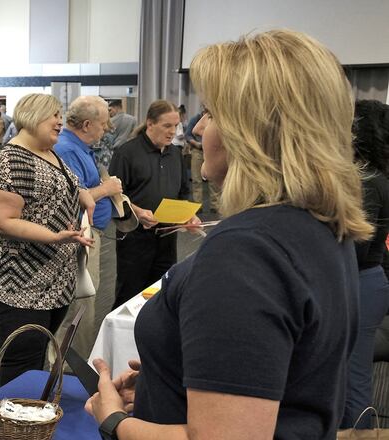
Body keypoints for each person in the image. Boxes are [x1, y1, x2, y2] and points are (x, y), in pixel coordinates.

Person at [86, 30, 372, 440]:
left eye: (213, 113)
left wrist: (115, 420)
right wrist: (167, 383)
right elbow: (286, 375)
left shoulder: (245, 253)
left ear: (252, 132)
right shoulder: (321, 227)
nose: (199, 128)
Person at [0, 93, 95, 385]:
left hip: (54, 281)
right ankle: (14, 423)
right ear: (32, 116)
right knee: (22, 363)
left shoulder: (49, 151)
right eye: (53, 115)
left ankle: (30, 416)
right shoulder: (10, 160)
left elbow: (62, 185)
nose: (59, 121)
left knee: (37, 355)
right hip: (19, 282)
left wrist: (81, 193)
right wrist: (54, 236)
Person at [51, 95, 122, 365]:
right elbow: (70, 199)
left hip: (88, 233)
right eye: (103, 125)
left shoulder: (78, 146)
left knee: (84, 304)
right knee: (80, 306)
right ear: (87, 124)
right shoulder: (68, 150)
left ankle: (70, 366)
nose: (105, 130)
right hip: (79, 234)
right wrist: (106, 189)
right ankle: (68, 370)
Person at [108, 99, 197, 310]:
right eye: (167, 126)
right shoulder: (126, 153)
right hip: (135, 238)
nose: (172, 131)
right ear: (150, 124)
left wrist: (189, 215)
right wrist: (138, 212)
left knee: (161, 294)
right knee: (129, 296)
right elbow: (114, 196)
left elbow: (184, 191)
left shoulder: (175, 153)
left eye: (175, 126)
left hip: (167, 238)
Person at [341, 99, 389, 428]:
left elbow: (358, 245)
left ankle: (361, 433)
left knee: (353, 378)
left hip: (361, 283)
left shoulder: (367, 182)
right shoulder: (374, 176)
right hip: (366, 281)